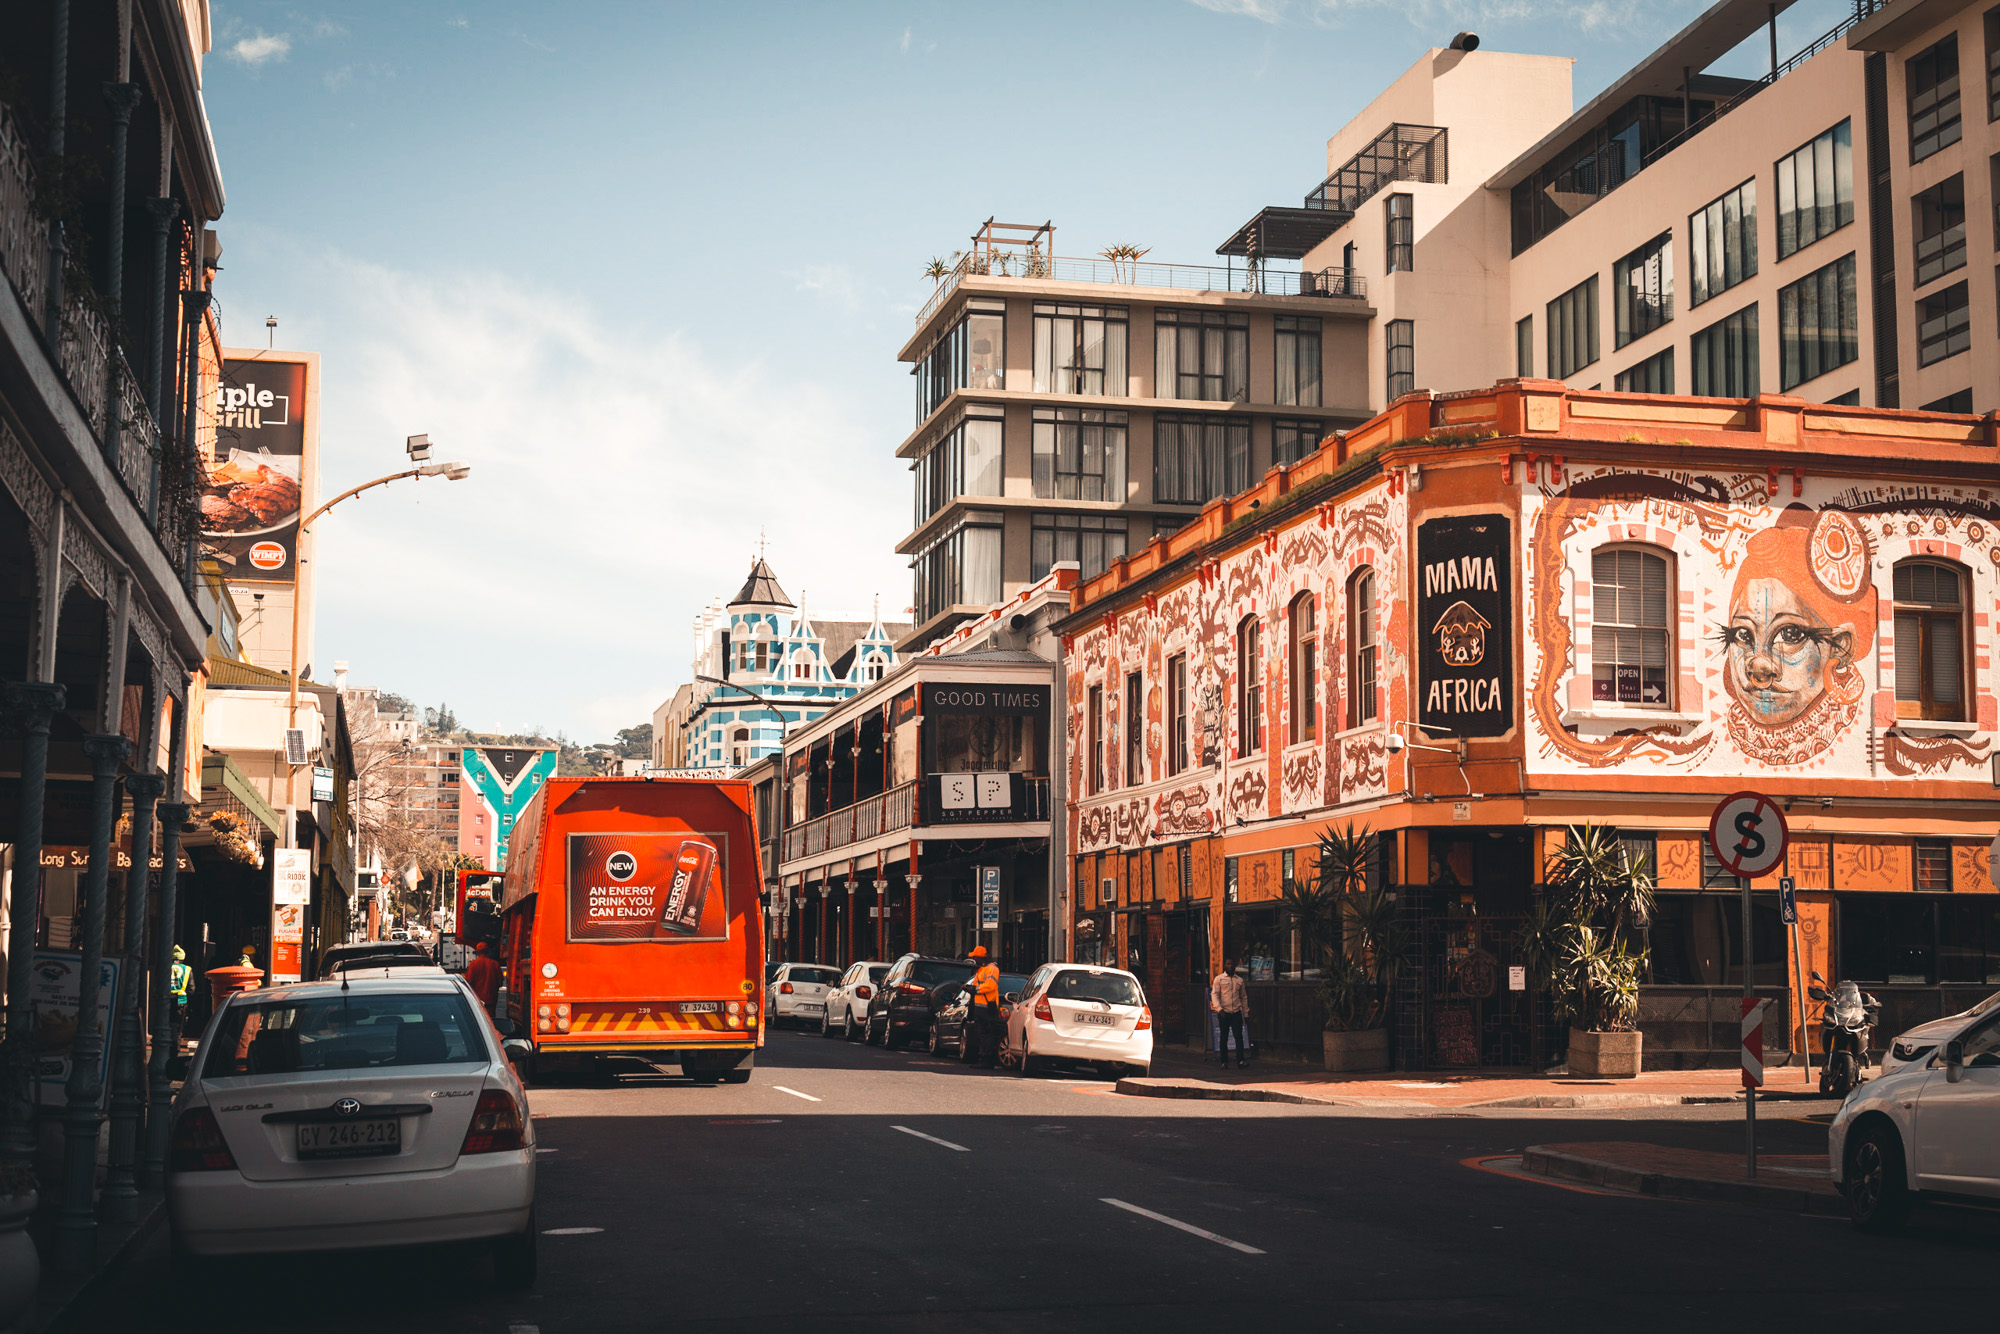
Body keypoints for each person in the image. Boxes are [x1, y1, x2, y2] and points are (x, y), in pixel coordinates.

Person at [965, 946, 1002, 1069]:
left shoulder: (992, 969)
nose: (974, 959)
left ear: (979, 957)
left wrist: (974, 989)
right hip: (980, 1007)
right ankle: (983, 1058)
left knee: (986, 1034)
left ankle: (987, 1060)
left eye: (975, 957)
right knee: (982, 1034)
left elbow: (990, 986)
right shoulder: (982, 969)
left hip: (987, 1007)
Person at [1211, 956, 1249, 1069]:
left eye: (1232, 964)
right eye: (1228, 964)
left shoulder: (1239, 981)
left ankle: (1240, 1060)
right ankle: (1224, 1061)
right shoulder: (1219, 979)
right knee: (1224, 1037)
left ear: (1235, 966)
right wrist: (1219, 1009)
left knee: (1238, 1037)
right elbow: (1214, 994)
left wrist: (1246, 1013)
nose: (1230, 966)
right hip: (1224, 1012)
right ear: (1225, 966)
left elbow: (1244, 997)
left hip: (1236, 1012)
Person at [465, 940, 504, 1016]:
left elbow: (469, 981)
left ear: (477, 952)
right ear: (487, 951)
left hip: (477, 1000)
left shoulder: (473, 965)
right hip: (491, 1000)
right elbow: (500, 982)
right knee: (491, 1020)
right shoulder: (495, 964)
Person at [169, 946, 193, 1048]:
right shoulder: (187, 969)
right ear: (182, 958)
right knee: (179, 1026)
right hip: (181, 1001)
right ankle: (176, 1043)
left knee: (167, 1024)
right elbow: (192, 989)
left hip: (167, 1000)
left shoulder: (166, 967)